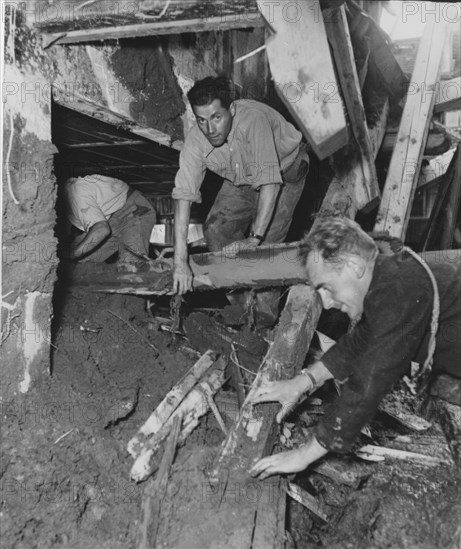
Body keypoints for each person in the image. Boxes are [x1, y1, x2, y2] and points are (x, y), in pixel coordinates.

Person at [249, 216, 461, 480]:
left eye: (326, 287)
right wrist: (302, 382)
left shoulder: (398, 286)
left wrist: (304, 455)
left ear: (354, 265)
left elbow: (369, 380)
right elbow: (359, 343)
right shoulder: (389, 279)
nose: (325, 303)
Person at [172, 76, 309, 327]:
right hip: (241, 177)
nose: (210, 129)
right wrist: (180, 261)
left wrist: (252, 239)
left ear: (231, 110)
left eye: (216, 117)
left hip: (284, 171)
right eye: (201, 120)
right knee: (215, 229)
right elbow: (183, 196)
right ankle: (242, 309)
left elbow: (269, 182)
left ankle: (264, 321)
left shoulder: (252, 121)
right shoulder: (195, 141)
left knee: (266, 248)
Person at [63, 174, 156, 267]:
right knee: (77, 264)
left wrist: (73, 253)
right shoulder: (64, 202)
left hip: (133, 210)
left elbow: (102, 229)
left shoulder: (75, 193)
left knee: (130, 267)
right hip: (109, 219)